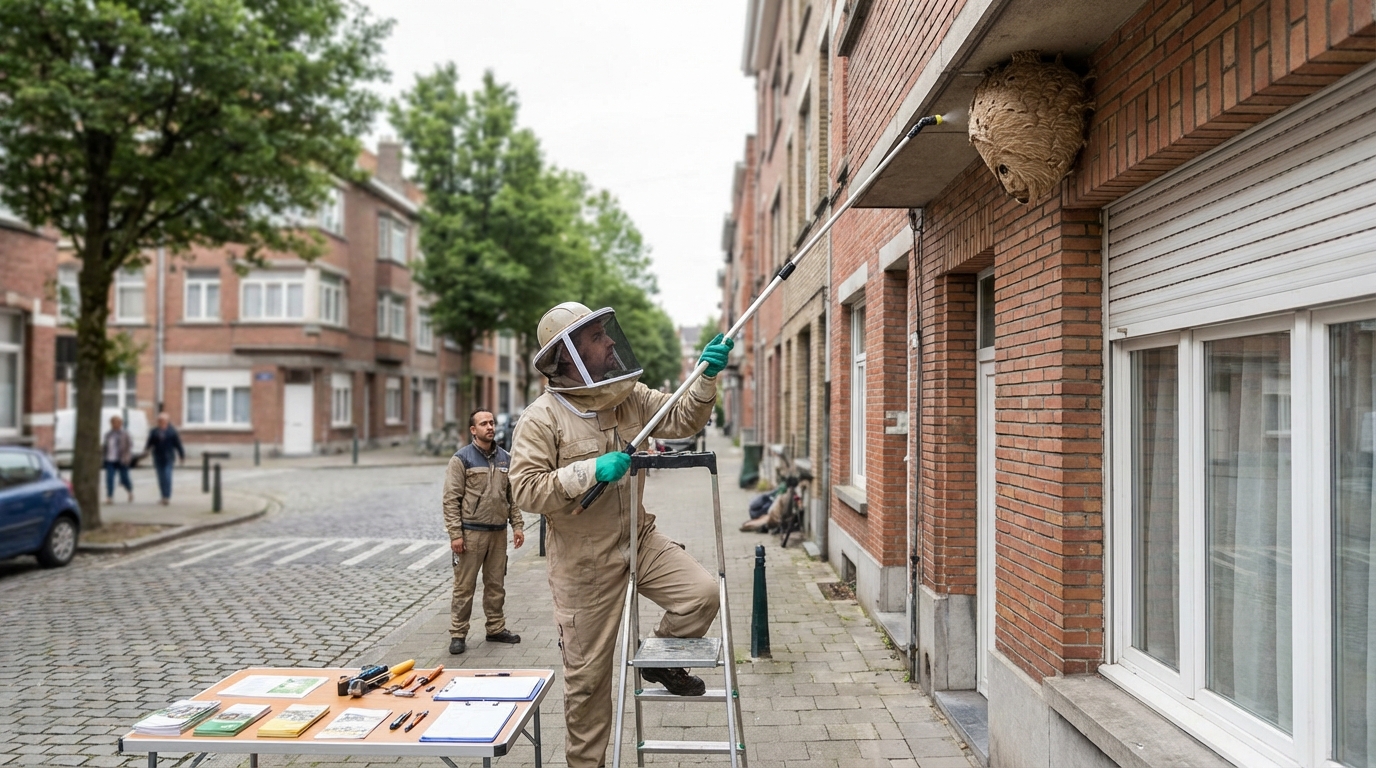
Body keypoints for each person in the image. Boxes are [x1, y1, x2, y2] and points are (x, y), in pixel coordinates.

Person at [509, 302, 734, 768]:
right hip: (583, 563)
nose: (610, 340)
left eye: (605, 332)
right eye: (596, 337)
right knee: (588, 684)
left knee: (702, 594)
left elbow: (683, 419)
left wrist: (705, 378)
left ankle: (659, 661)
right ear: (569, 354)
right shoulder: (541, 418)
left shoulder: (629, 395)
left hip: (639, 537)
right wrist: (589, 470)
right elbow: (526, 490)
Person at [444, 409, 526, 655]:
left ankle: (495, 628)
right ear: (473, 430)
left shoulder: (505, 459)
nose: (490, 427)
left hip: (498, 534)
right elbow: (451, 499)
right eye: (483, 424)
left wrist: (517, 525)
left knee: (496, 585)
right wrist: (455, 534)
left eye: (491, 422)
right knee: (464, 587)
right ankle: (458, 634)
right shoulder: (461, 459)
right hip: (471, 534)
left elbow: (512, 496)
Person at [144, 412, 185, 506]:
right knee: (161, 478)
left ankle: (167, 496)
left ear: (167, 421)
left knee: (167, 476)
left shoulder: (172, 432)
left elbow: (178, 444)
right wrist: (146, 450)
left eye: (163, 420)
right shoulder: (154, 431)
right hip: (158, 457)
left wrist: (181, 455)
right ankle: (163, 496)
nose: (161, 422)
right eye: (159, 420)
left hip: (168, 457)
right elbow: (150, 442)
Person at [102, 414, 134, 504]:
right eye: (113, 423)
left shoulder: (125, 434)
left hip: (122, 459)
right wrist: (103, 455)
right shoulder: (108, 434)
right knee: (109, 478)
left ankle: (129, 491)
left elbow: (130, 445)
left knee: (124, 478)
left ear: (120, 424)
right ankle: (109, 496)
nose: (115, 424)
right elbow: (105, 446)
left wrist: (127, 456)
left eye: (117, 423)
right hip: (110, 459)